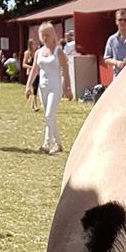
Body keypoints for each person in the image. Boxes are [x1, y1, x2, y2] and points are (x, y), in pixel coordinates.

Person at [25, 21, 71, 153]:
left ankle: (46, 144)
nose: (45, 38)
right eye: (42, 35)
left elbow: (65, 70)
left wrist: (68, 88)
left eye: (47, 35)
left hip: (55, 87)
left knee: (50, 114)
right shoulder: (39, 52)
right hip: (42, 87)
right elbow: (34, 70)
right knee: (48, 116)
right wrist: (28, 86)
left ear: (53, 35)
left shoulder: (58, 51)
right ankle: (58, 144)